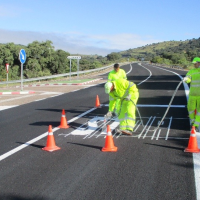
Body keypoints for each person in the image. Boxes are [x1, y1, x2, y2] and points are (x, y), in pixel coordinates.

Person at [183, 57, 200, 132]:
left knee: (199, 111)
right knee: (190, 109)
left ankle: (196, 124)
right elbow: (189, 78)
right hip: (192, 94)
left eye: (195, 64)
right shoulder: (191, 71)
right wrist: (186, 79)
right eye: (193, 64)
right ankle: (193, 122)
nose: (194, 65)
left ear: (199, 63)